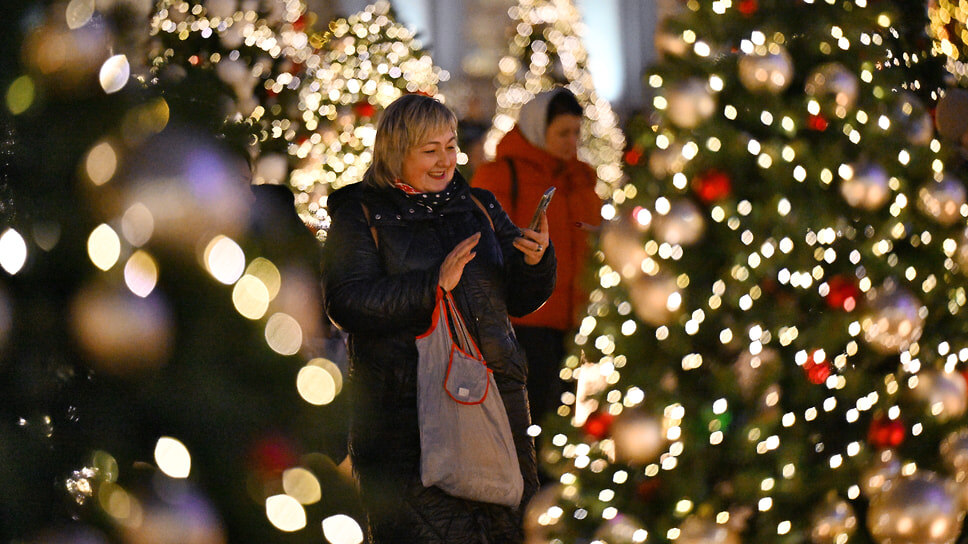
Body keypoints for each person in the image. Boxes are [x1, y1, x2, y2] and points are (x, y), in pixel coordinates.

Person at [321, 93, 556, 543]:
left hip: (495, 403)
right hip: (406, 417)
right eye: (430, 150)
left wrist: (536, 263)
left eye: (450, 146)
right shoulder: (360, 213)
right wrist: (433, 285)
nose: (445, 161)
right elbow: (346, 302)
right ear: (395, 152)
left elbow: (519, 300)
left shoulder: (478, 206)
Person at [471, 87, 600, 437]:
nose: (571, 141)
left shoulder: (581, 178)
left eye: (576, 132)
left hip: (574, 321)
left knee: (564, 418)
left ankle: (553, 486)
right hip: (524, 322)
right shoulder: (501, 175)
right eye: (562, 133)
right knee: (528, 423)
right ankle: (531, 489)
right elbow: (486, 245)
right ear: (537, 129)